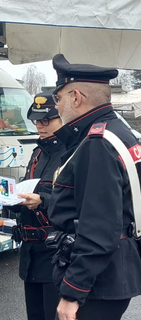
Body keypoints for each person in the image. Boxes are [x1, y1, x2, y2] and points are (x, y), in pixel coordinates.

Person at [47, 53, 141, 320]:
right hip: (113, 272)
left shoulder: (97, 143)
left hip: (97, 283)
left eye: (58, 98)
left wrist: (72, 293)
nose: (57, 106)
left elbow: (98, 228)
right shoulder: (120, 133)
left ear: (76, 97)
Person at [10, 90, 65, 320]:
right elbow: (27, 187)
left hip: (54, 254)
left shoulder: (70, 152)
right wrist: (11, 199)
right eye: (36, 121)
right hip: (31, 254)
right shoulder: (38, 153)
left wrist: (43, 201)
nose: (40, 126)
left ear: (61, 117)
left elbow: (78, 201)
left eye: (46, 120)